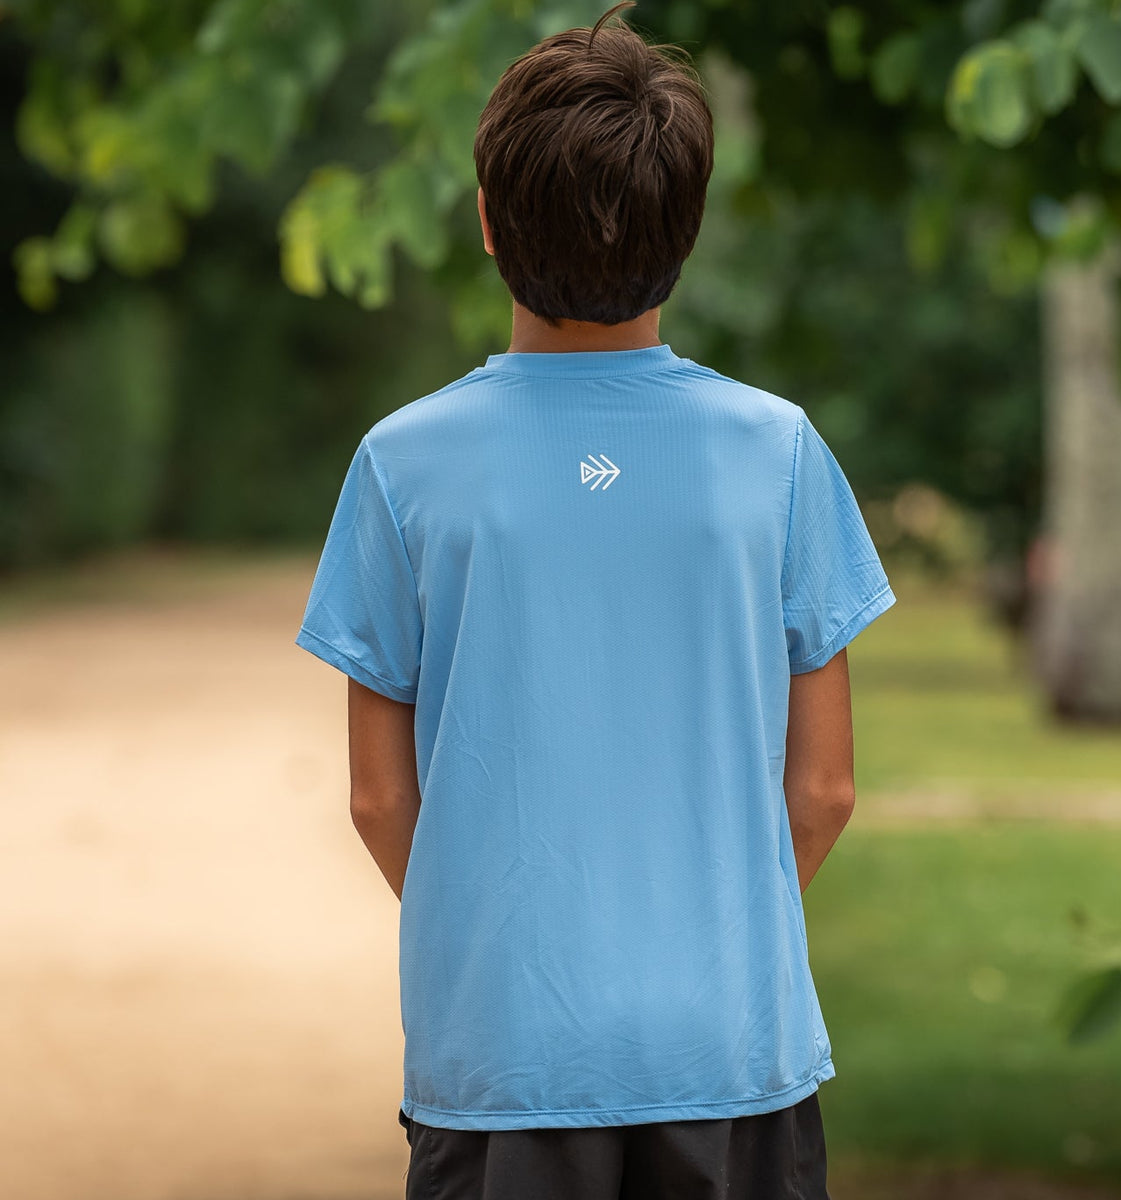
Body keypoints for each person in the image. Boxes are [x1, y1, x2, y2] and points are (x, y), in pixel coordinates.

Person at [294, 4, 897, 1197]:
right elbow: (822, 790)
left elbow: (378, 798)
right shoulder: (776, 454)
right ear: (691, 224)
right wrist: (706, 936)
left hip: (504, 1058)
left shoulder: (401, 464)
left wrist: (510, 934)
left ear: (484, 220)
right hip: (733, 1053)